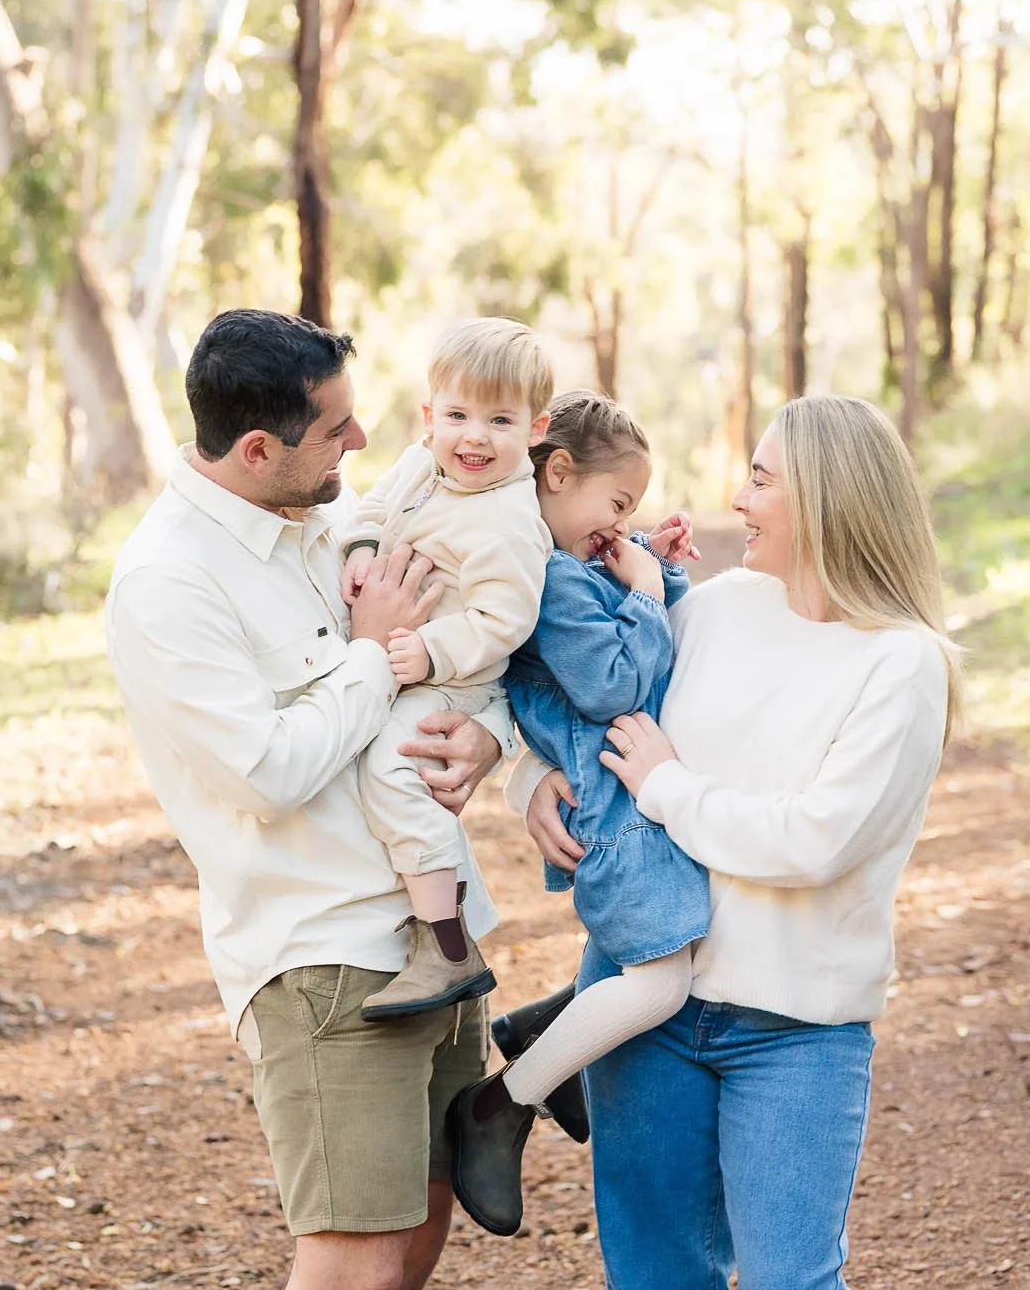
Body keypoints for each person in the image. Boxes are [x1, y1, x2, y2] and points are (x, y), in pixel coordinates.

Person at [509, 394, 963, 1290]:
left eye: (760, 481)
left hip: (795, 1026)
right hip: (648, 1003)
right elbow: (590, 703)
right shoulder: (716, 608)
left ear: (827, 500)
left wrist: (669, 785)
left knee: (793, 1279)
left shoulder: (901, 662)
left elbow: (815, 840)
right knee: (655, 1275)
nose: (739, 500)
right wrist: (532, 783)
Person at [105, 308, 511, 1290]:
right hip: (320, 953)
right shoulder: (169, 583)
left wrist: (485, 739)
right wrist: (370, 654)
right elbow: (269, 771)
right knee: (352, 1245)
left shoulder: (331, 512)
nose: (361, 442)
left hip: (432, 931)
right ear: (255, 448)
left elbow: (458, 640)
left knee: (425, 1201)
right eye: (335, 428)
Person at [443, 391, 709, 1237]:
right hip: (614, 802)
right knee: (663, 981)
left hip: (628, 793)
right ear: (558, 473)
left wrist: (653, 568)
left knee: (680, 953)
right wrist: (640, 593)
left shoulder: (570, 563)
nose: (620, 525)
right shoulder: (548, 575)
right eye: (617, 506)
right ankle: (497, 1105)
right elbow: (611, 682)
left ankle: (549, 1027)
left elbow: (623, 630)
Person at [338, 318, 556, 1021]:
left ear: (534, 427)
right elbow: (372, 506)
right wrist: (365, 547)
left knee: (393, 770)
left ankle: (444, 943)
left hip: (452, 677)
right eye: (458, 415)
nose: (475, 437)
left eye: (499, 419)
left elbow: (504, 619)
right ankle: (427, 919)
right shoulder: (418, 464)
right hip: (412, 658)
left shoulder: (509, 520)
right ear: (430, 415)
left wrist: (431, 650)